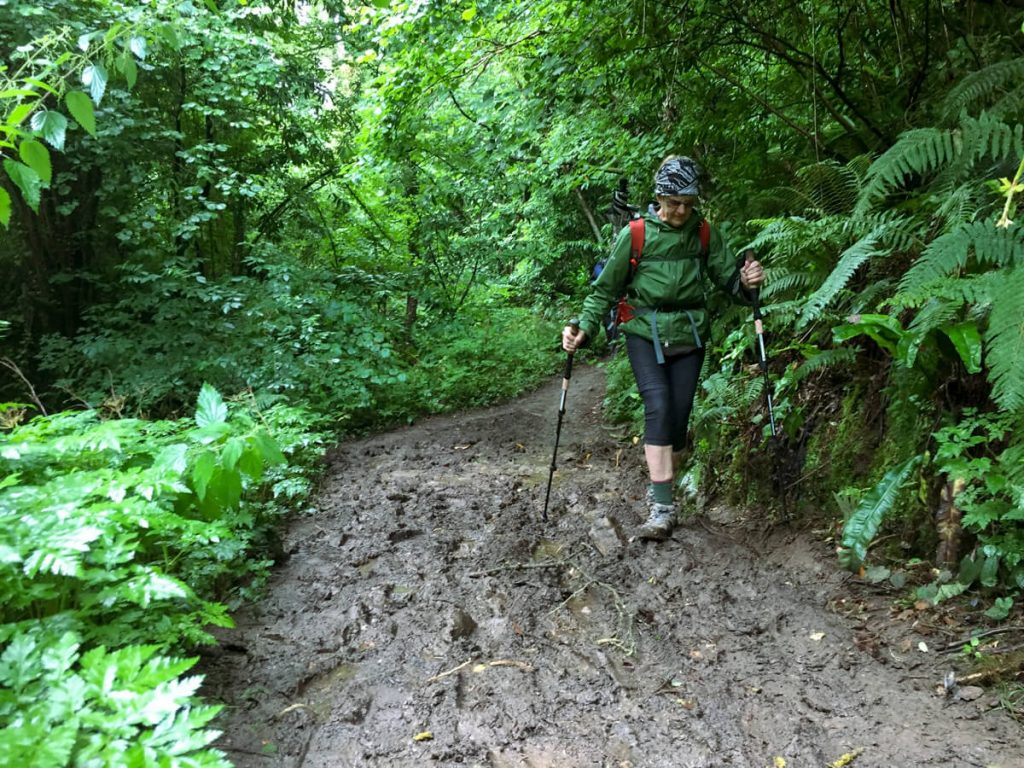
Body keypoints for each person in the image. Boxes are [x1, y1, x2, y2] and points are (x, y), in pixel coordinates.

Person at [561, 155, 765, 540]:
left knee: (678, 419)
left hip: (689, 335)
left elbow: (732, 284)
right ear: (659, 198)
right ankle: (662, 510)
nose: (681, 211)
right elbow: (603, 291)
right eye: (674, 203)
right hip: (643, 331)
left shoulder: (704, 233)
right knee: (658, 407)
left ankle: (669, 476)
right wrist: (583, 328)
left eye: (688, 204)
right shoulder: (636, 234)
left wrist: (750, 281)